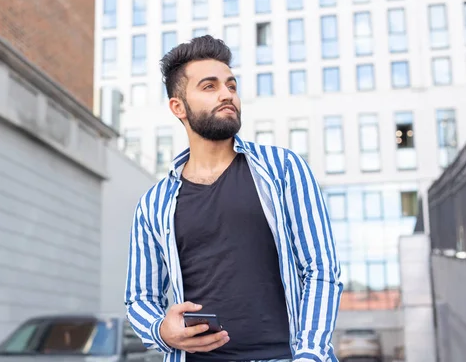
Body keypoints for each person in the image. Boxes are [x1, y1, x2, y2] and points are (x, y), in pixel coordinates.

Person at [124, 36, 343, 362]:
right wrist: (161, 330)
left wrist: (310, 354)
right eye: (209, 87)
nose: (227, 94)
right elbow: (140, 297)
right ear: (178, 106)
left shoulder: (282, 169)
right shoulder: (154, 204)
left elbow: (320, 269)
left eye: (231, 85)